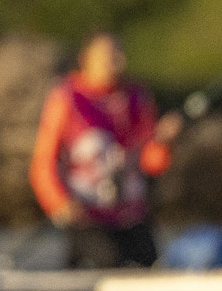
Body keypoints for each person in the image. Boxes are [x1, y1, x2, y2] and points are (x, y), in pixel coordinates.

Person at [29, 32, 184, 269]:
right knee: (109, 261)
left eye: (118, 54)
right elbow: (43, 162)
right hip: (87, 217)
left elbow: (152, 163)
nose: (117, 61)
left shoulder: (136, 97)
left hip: (131, 216)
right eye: (108, 56)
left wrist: (164, 141)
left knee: (150, 263)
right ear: (86, 59)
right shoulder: (67, 98)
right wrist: (58, 202)